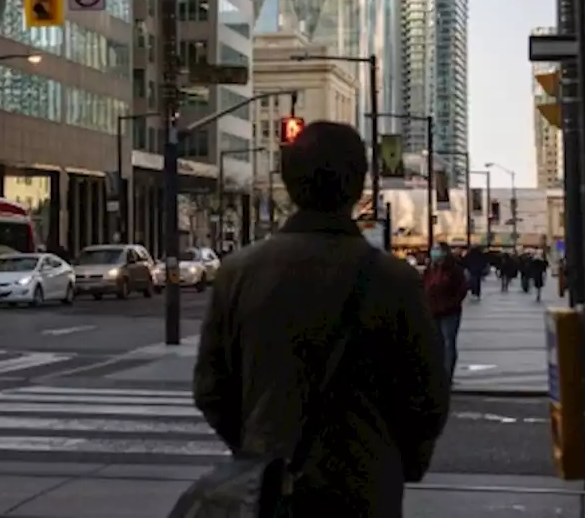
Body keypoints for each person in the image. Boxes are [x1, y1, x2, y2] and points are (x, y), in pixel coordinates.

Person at [193, 121, 450, 517]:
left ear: (290, 182)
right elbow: (428, 395)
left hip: (269, 487)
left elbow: (211, 388)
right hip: (365, 487)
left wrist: (253, 448)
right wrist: (398, 462)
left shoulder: (239, 272)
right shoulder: (394, 280)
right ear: (358, 184)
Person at [423, 241, 469, 380]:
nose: (434, 252)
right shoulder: (430, 268)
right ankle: (437, 373)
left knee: (449, 342)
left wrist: (453, 302)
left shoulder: (454, 269)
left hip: (450, 311)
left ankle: (447, 375)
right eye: (433, 249)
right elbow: (424, 285)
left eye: (437, 249)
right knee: (436, 342)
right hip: (433, 310)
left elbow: (462, 288)